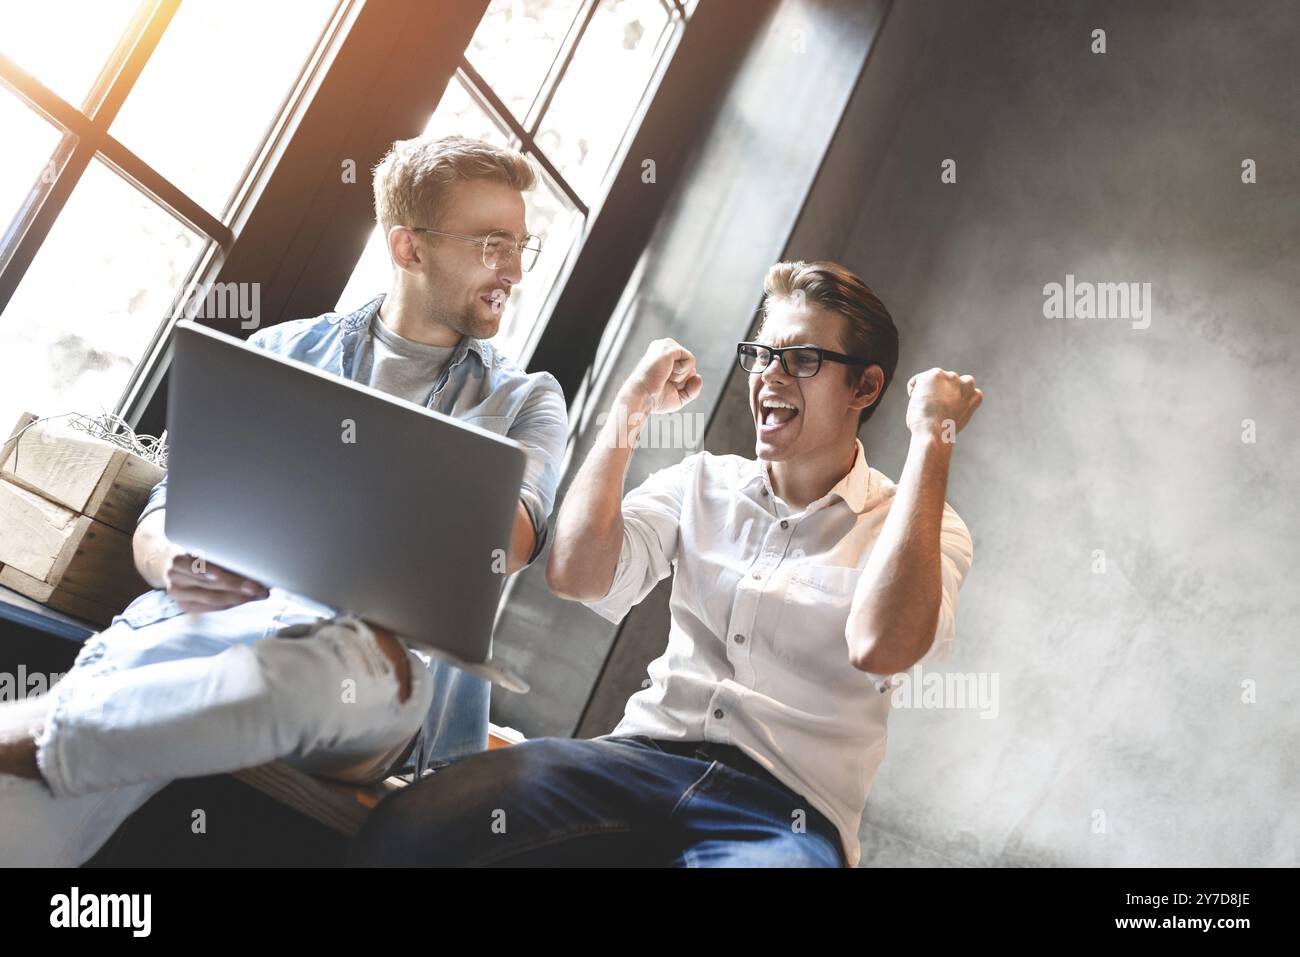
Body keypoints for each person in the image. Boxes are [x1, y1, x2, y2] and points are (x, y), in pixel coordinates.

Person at [0, 135, 568, 867]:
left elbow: (508, 542)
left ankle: (37, 729)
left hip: (377, 669)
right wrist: (178, 563)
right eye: (493, 244)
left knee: (312, 662)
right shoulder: (280, 351)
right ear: (410, 247)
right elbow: (164, 515)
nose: (515, 269)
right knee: (37, 807)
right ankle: (59, 736)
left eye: (523, 245)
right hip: (206, 624)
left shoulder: (526, 400)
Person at [350, 260, 981, 868]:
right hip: (636, 762)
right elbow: (575, 573)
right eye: (761, 355)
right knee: (422, 821)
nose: (770, 376)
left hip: (783, 812)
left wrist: (932, 439)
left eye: (802, 359)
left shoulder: (923, 529)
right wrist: (630, 408)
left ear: (865, 388)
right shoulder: (701, 481)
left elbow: (883, 647)